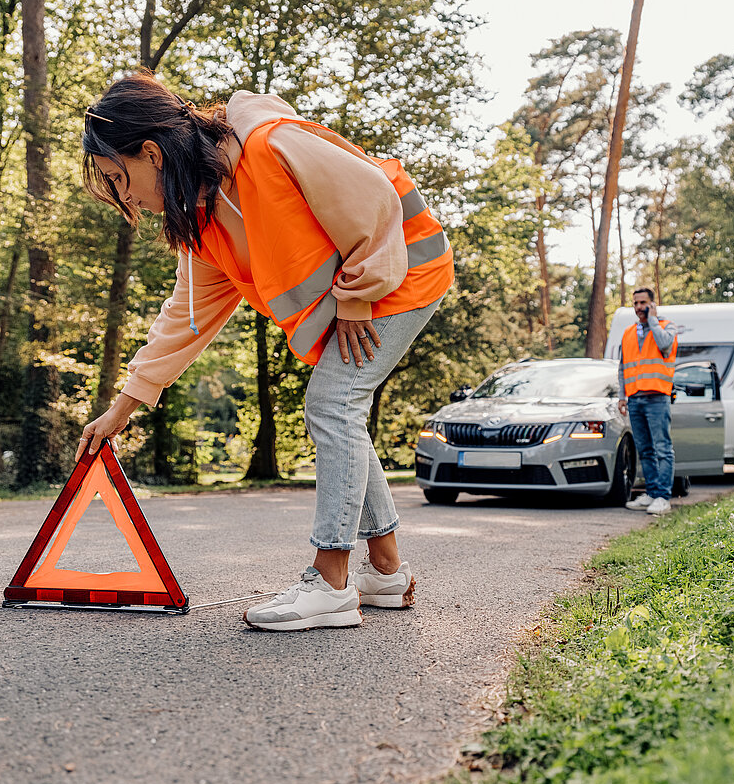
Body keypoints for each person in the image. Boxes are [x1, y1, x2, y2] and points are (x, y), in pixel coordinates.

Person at [75, 71, 453, 631]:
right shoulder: (201, 223)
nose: (124, 196)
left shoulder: (270, 144)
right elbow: (186, 317)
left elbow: (375, 199)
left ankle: (330, 583)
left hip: (402, 272)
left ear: (151, 154)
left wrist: (355, 300)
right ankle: (386, 574)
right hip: (367, 291)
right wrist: (122, 407)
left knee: (331, 406)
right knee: (340, 410)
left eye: (119, 177)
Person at [616, 287, 678, 514]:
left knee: (663, 448)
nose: (638, 307)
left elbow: (664, 345)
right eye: (635, 303)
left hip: (657, 398)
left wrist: (652, 320)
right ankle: (651, 493)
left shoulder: (667, 326)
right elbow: (623, 367)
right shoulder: (628, 332)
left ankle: (663, 497)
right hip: (635, 399)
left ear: (652, 304)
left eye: (643, 303)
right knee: (645, 449)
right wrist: (622, 396)